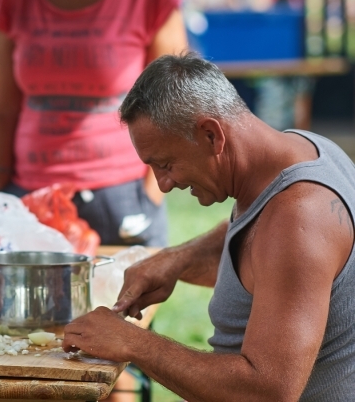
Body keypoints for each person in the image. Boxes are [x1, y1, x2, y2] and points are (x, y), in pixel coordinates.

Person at [63, 53, 355, 401]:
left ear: (211, 135)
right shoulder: (300, 151)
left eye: (166, 164)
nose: (163, 185)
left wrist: (134, 343)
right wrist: (176, 260)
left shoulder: (299, 218)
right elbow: (256, 243)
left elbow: (267, 393)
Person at [0, 0, 187, 247]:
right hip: (29, 193)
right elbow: (4, 107)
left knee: (119, 307)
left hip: (121, 193)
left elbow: (176, 104)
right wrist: (0, 184)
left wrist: (151, 193)